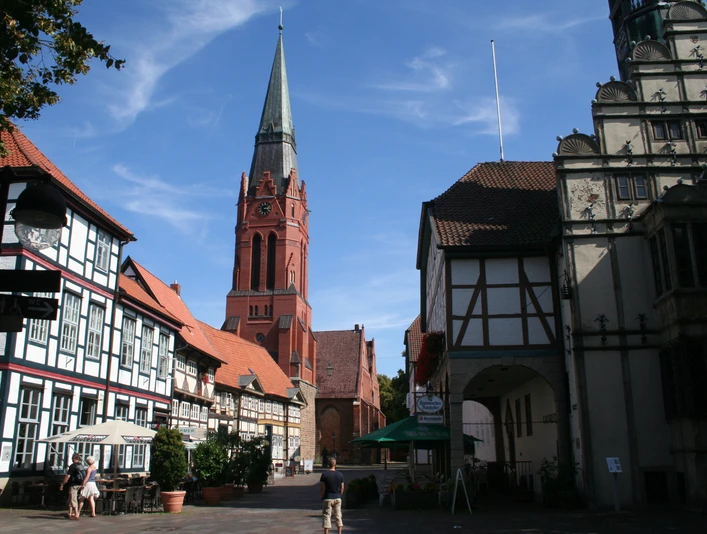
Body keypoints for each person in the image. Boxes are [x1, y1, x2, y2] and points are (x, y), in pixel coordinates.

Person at [320, 458, 344, 534]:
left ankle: (326, 532)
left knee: (327, 516)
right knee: (338, 516)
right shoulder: (340, 474)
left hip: (328, 497)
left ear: (328, 465)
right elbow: (342, 487)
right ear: (335, 465)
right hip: (337, 497)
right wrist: (339, 495)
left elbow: (322, 487)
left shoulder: (324, 474)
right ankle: (339, 532)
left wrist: (323, 495)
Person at [59, 453, 84, 520]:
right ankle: (69, 512)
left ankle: (76, 514)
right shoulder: (81, 465)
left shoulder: (73, 466)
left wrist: (62, 484)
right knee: (70, 498)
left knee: (73, 498)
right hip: (79, 483)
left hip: (73, 484)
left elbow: (68, 476)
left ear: (73, 458)